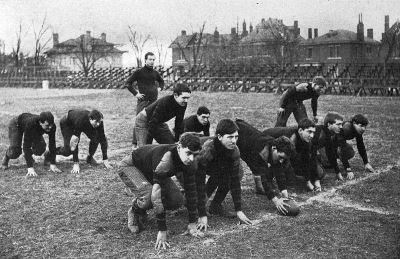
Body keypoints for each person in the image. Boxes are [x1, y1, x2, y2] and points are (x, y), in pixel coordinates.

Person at [116, 133, 207, 250]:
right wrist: (162, 230)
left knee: (177, 200)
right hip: (131, 166)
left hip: (151, 170)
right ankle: (135, 209)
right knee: (149, 197)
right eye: (188, 153)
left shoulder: (190, 160)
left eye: (195, 155)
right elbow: (157, 197)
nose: (191, 159)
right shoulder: (165, 160)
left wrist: (192, 223)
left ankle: (142, 195)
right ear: (179, 147)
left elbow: (191, 190)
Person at [197, 119, 252, 224]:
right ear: (219, 137)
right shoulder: (208, 149)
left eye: (236, 137)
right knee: (188, 201)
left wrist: (239, 210)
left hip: (216, 166)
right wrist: (201, 210)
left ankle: (215, 206)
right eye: (230, 137)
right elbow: (198, 176)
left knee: (232, 174)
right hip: (192, 166)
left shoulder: (234, 150)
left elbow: (234, 181)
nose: (234, 141)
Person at [235, 119, 296, 215]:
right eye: (280, 157)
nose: (281, 161)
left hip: (247, 141)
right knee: (235, 173)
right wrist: (276, 200)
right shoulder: (262, 151)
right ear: (274, 149)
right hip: (236, 135)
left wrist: (285, 194)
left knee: (257, 166)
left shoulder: (275, 147)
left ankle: (258, 188)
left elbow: (279, 171)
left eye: (283, 158)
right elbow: (265, 179)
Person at [263, 118, 325, 192]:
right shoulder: (292, 138)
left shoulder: (306, 140)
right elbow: (282, 159)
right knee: (281, 160)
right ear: (300, 131)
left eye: (313, 132)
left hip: (282, 147)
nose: (312, 135)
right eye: (309, 132)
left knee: (318, 171)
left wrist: (310, 181)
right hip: (266, 140)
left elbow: (307, 160)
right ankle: (268, 180)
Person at [1, 112, 62, 177]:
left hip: (33, 127)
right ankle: (7, 157)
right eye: (47, 125)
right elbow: (26, 146)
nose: (50, 127)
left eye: (51, 124)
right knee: (15, 151)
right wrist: (30, 168)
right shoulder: (31, 124)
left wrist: (53, 163)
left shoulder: (51, 126)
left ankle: (29, 156)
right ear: (40, 123)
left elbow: (52, 144)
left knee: (40, 149)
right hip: (17, 124)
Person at [125, 52, 165, 150]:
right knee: (139, 121)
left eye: (153, 60)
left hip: (154, 102)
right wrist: (136, 94)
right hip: (143, 102)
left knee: (152, 122)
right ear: (145, 60)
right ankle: (135, 144)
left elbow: (161, 81)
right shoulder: (139, 72)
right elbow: (128, 83)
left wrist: (160, 88)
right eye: (150, 59)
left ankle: (147, 143)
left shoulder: (155, 72)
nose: (152, 62)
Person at [133, 83, 191, 147]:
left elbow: (179, 122)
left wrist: (177, 139)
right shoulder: (165, 102)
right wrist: (147, 144)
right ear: (176, 95)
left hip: (158, 122)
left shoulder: (183, 104)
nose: (186, 100)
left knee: (171, 145)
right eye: (184, 98)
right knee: (144, 149)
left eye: (188, 98)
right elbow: (152, 124)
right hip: (144, 120)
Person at [56, 109, 112, 174]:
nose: (98, 124)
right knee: (68, 150)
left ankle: (90, 157)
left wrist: (105, 160)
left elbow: (103, 139)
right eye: (96, 122)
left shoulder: (99, 122)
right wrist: (76, 163)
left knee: (96, 138)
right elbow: (75, 142)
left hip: (85, 123)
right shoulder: (80, 121)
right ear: (90, 119)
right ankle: (50, 153)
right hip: (67, 123)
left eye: (99, 122)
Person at [335, 114, 376, 179]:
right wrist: (348, 169)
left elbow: (360, 146)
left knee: (350, 152)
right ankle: (322, 158)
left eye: (365, 126)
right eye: (361, 126)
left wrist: (366, 163)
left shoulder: (356, 129)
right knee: (344, 151)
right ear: (354, 123)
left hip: (335, 144)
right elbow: (342, 149)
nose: (363, 129)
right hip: (326, 146)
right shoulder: (346, 128)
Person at [315, 112, 345, 181]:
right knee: (319, 173)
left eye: (341, 124)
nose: (341, 127)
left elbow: (330, 153)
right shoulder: (320, 133)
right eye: (338, 124)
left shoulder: (327, 133)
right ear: (329, 124)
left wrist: (338, 172)